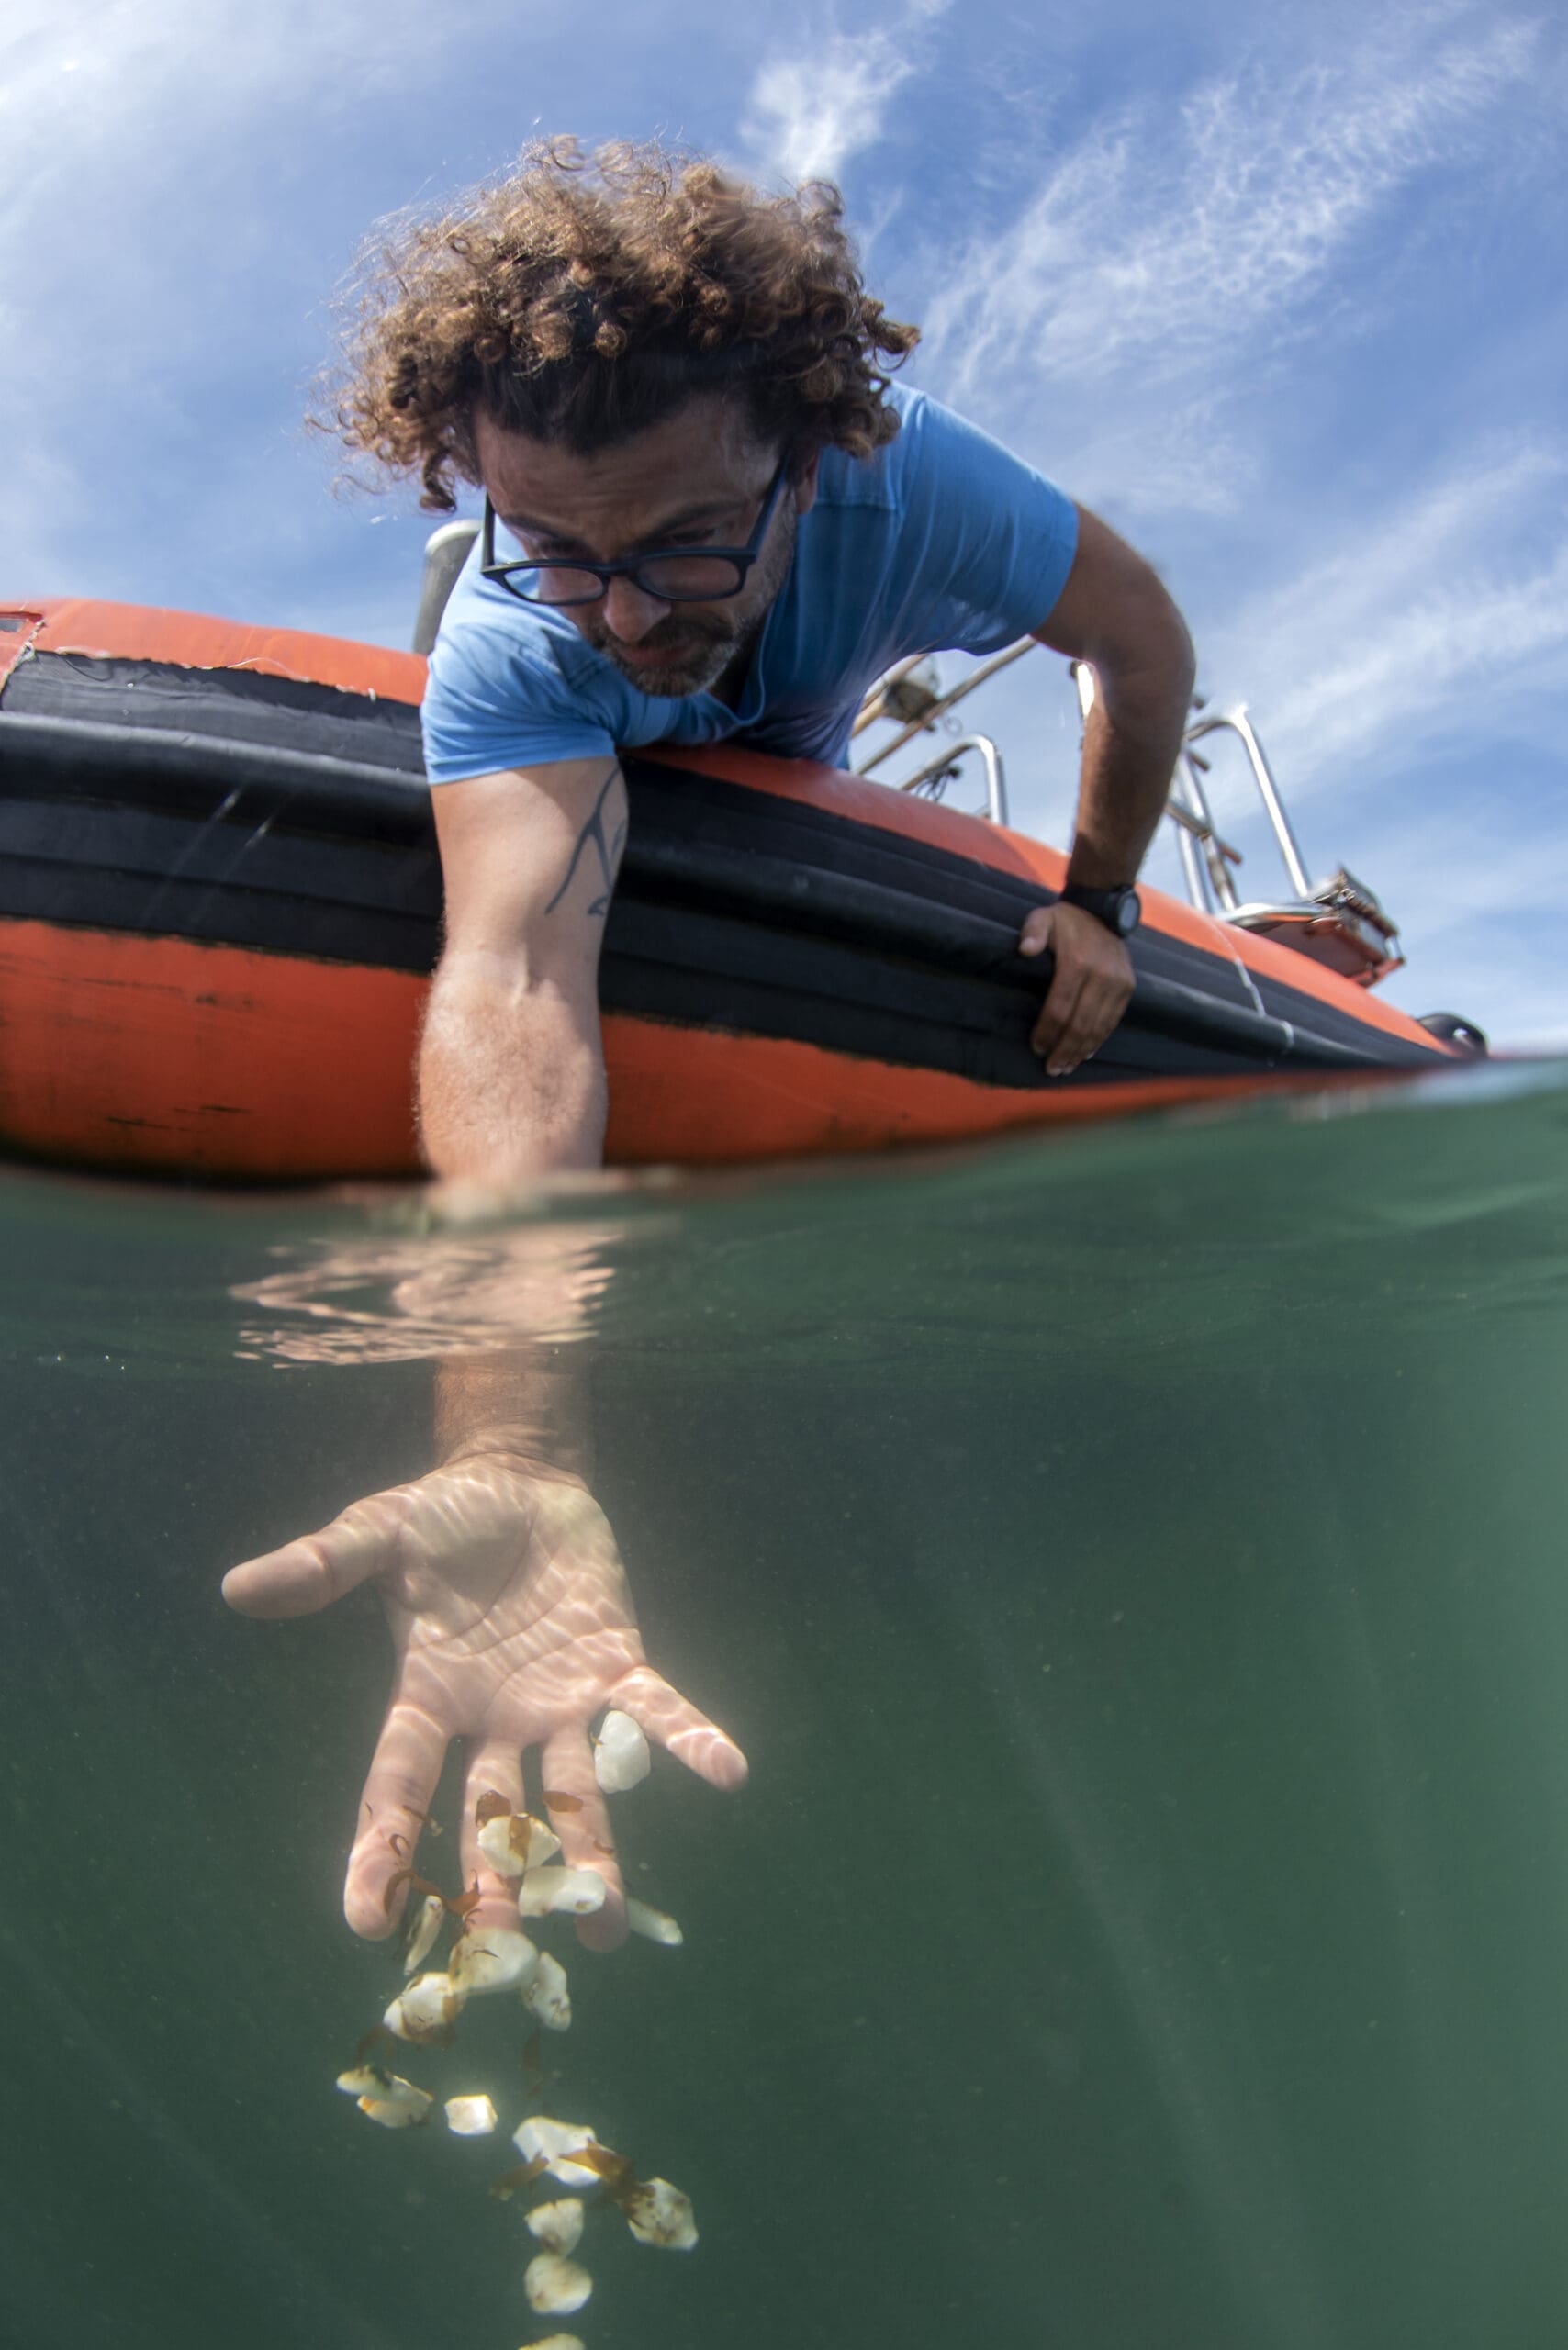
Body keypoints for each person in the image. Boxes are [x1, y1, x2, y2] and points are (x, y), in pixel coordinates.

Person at [223, 140, 1195, 1954]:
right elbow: (514, 981)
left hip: (817, 771)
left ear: (806, 461)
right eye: (559, 549)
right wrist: (507, 1435)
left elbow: (1136, 645)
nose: (620, 609)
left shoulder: (926, 493)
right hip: (564, 780)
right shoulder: (515, 639)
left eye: (679, 542)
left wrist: (1100, 900)